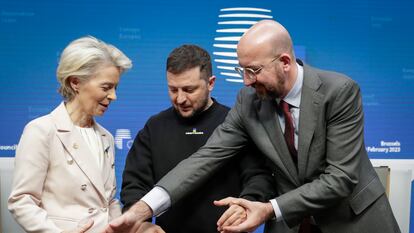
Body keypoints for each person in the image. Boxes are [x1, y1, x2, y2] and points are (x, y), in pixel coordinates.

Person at [102, 20, 401, 233]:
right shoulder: (249, 101)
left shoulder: (339, 92)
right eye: (240, 70)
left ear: (284, 61)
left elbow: (339, 179)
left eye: (253, 71)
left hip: (352, 220)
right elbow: (205, 158)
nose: (246, 81)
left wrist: (268, 208)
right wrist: (144, 209)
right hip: (292, 226)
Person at [120, 44, 274, 233]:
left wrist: (246, 204)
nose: (180, 99)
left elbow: (258, 176)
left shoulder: (235, 122)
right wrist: (141, 224)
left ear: (211, 83)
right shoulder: (154, 127)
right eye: (173, 90)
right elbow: (134, 185)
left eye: (189, 89)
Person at [8, 36, 133, 233]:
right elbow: (22, 201)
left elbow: (108, 202)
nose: (113, 96)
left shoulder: (106, 137)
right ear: (75, 82)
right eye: (106, 87)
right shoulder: (42, 130)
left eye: (115, 88)